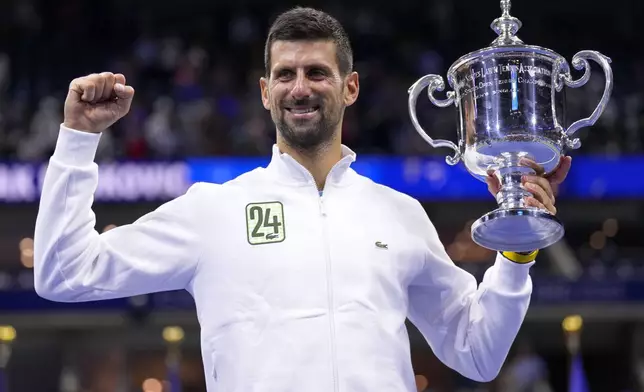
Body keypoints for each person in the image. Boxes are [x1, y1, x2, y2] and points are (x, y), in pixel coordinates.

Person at [33, 7, 571, 392]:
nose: (300, 87)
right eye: (285, 74)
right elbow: (62, 272)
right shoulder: (212, 210)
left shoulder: (399, 214)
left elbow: (477, 354)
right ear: (265, 91)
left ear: (350, 87)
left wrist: (515, 252)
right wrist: (78, 138)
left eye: (317, 72)